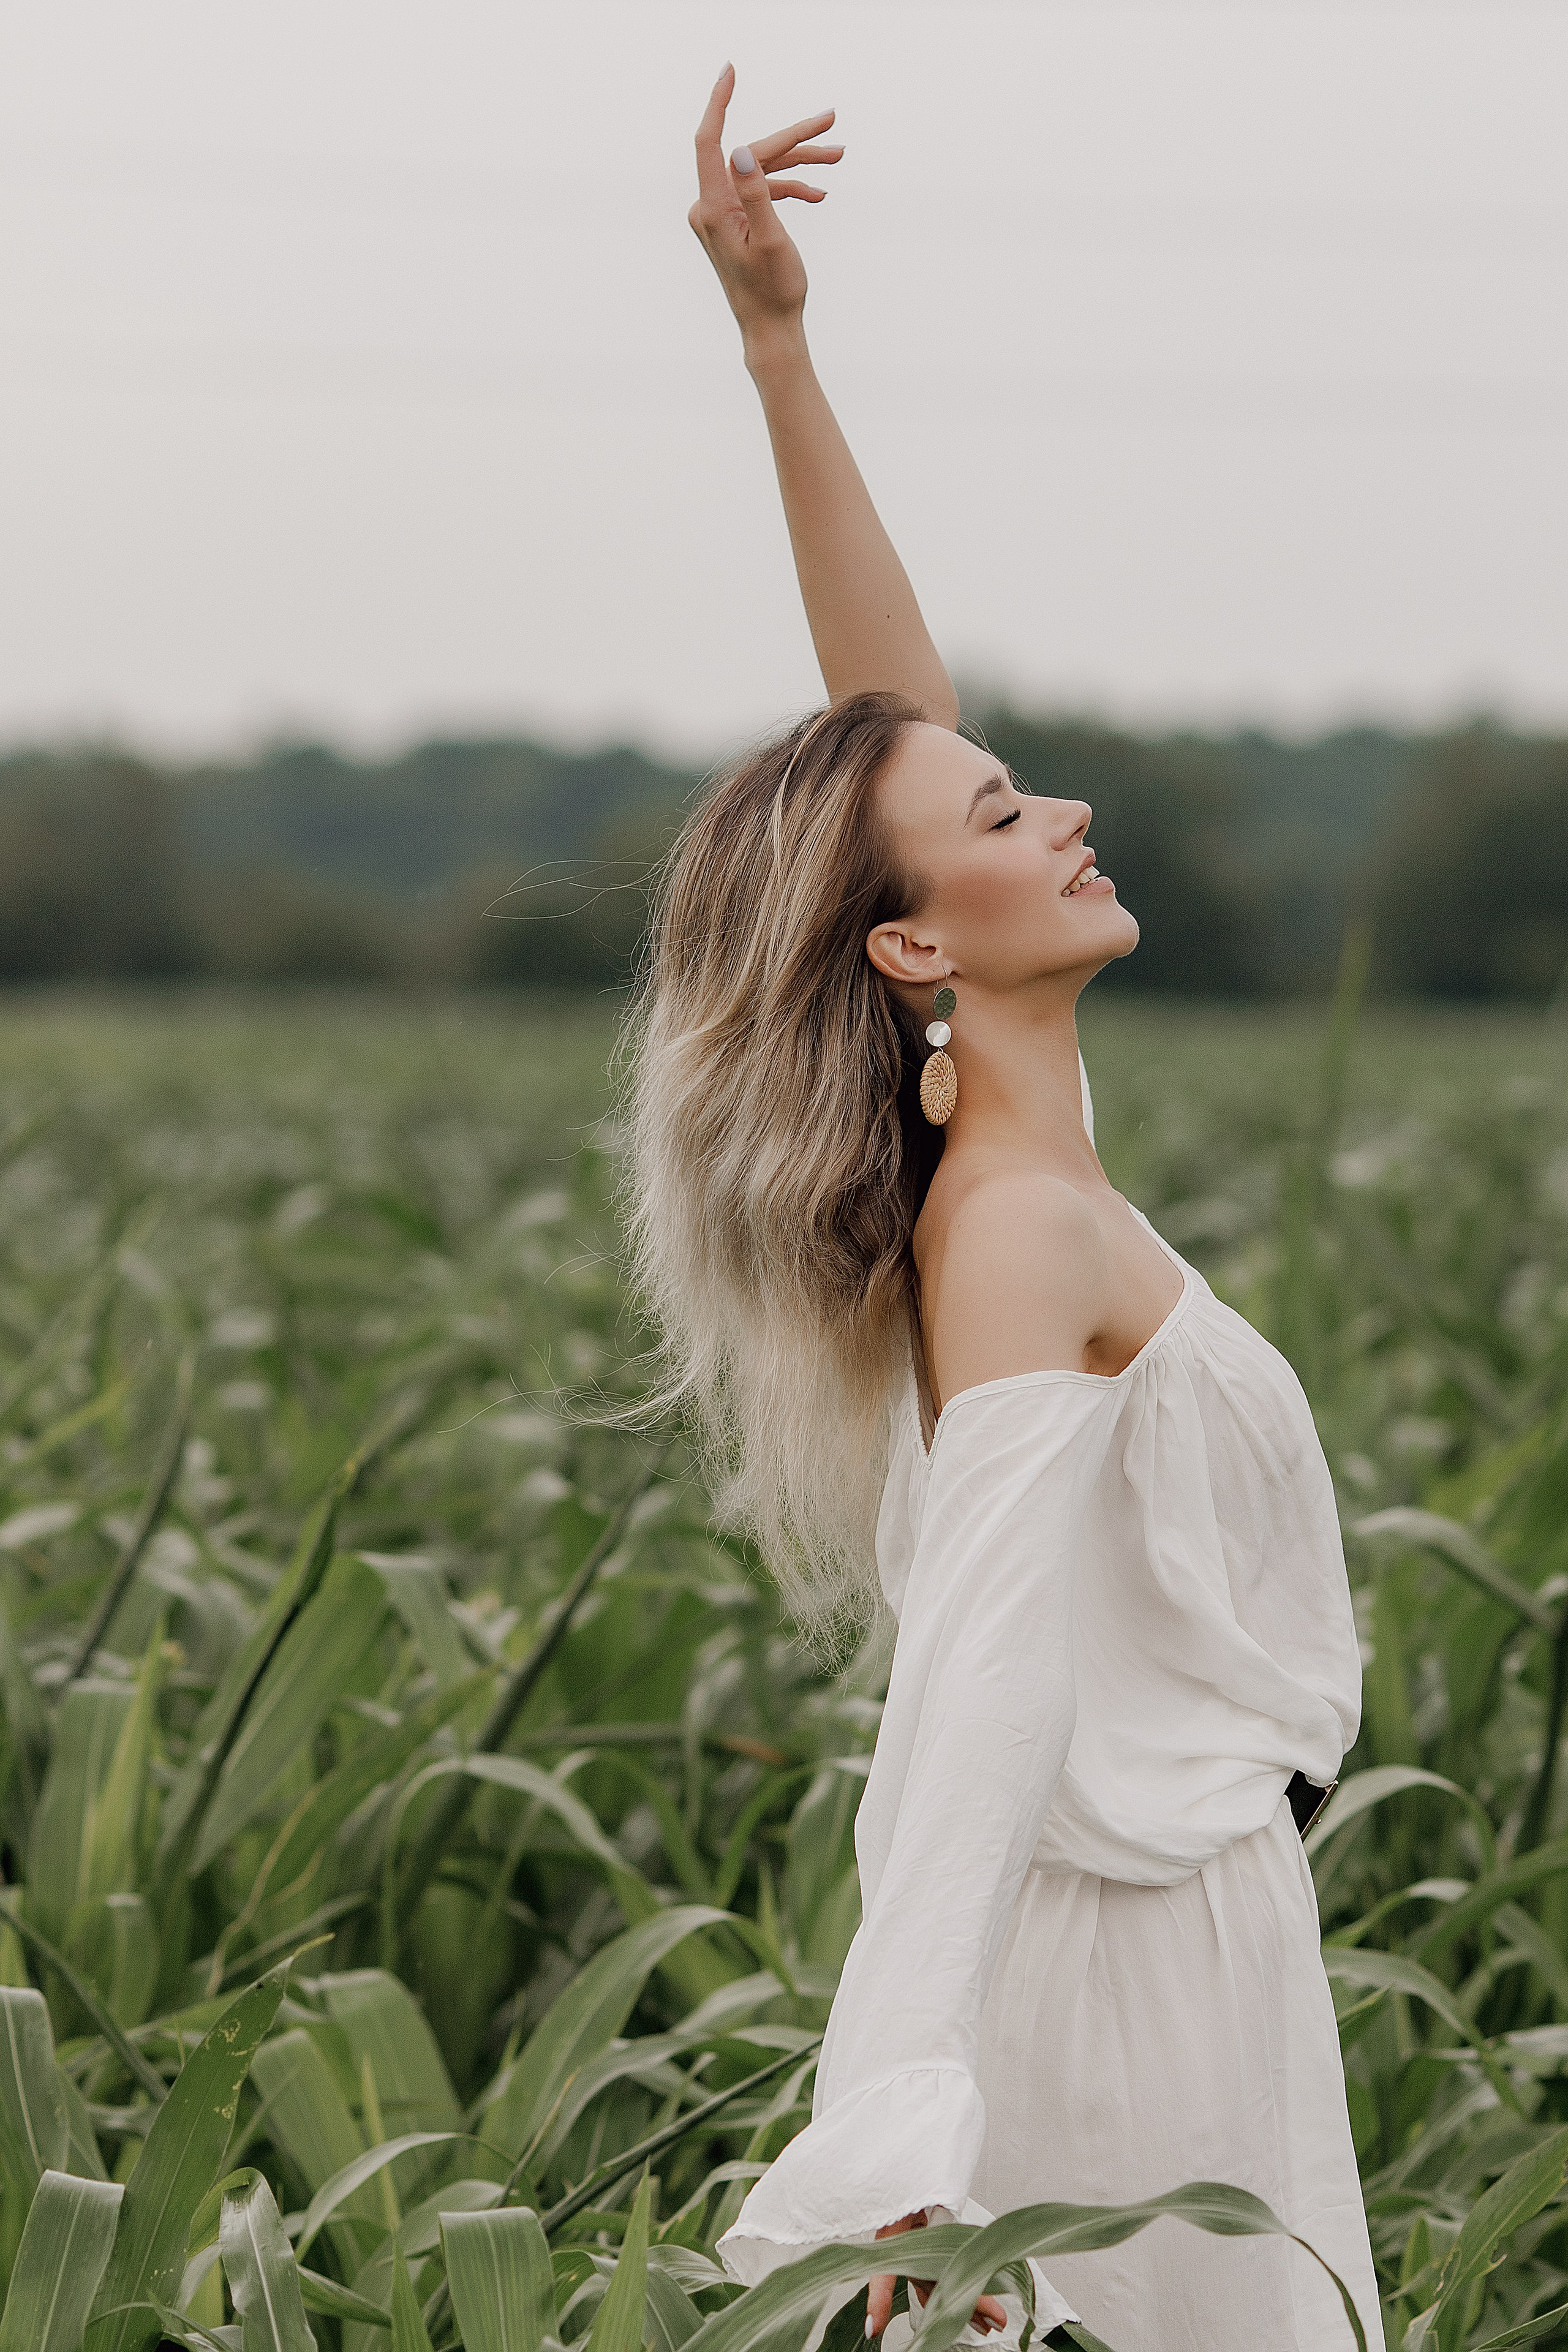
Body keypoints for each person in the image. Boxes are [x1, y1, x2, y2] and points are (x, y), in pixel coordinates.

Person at [622, 64, 1380, 2351]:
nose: (1062, 807)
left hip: (1184, 1933)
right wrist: (903, 2122)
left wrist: (775, 340)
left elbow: (884, 725)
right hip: (1125, 1983)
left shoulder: (1020, 1156)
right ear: (917, 950)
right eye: (1000, 811)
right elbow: (976, 1688)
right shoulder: (1021, 1233)